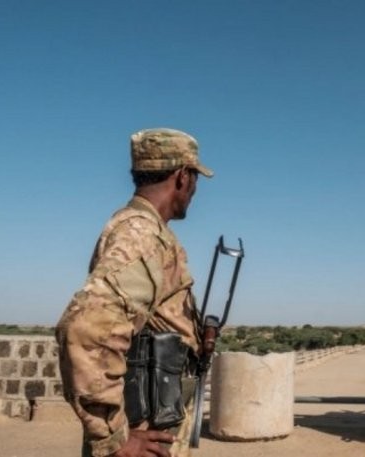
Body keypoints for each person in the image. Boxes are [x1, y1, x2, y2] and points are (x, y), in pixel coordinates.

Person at [56, 128, 213, 457]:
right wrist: (114, 438)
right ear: (183, 176)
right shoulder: (140, 233)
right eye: (195, 178)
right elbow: (86, 327)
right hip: (145, 423)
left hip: (158, 411)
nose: (195, 189)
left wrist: (195, 337)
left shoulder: (148, 230)